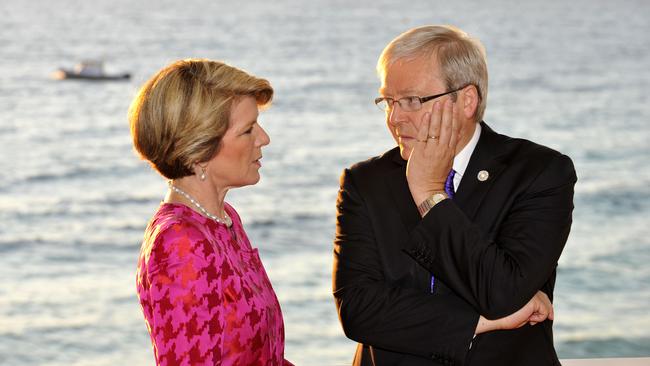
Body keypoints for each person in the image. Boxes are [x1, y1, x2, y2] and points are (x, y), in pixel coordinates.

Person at [333, 25, 576, 365]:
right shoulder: (364, 181)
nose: (395, 117)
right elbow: (358, 310)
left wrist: (429, 193)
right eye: (388, 101)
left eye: (412, 101)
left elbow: (501, 292)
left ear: (466, 100)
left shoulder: (539, 172)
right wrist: (481, 322)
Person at [129, 59, 292, 365]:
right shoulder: (179, 242)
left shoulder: (222, 219)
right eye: (247, 131)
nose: (264, 138)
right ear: (199, 151)